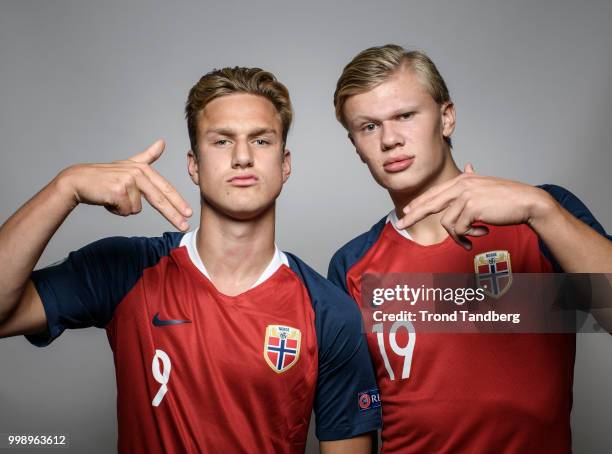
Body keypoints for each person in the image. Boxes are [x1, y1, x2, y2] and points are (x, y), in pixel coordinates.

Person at [0, 66, 381, 453]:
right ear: (193, 166)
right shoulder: (127, 269)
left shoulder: (328, 312)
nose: (243, 157)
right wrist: (66, 187)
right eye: (221, 141)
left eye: (261, 141)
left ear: (284, 165)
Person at [328, 44, 612, 453]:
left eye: (405, 116)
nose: (390, 139)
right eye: (368, 127)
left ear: (446, 118)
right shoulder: (353, 265)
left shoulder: (541, 217)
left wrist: (540, 208)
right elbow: (351, 417)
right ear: (356, 145)